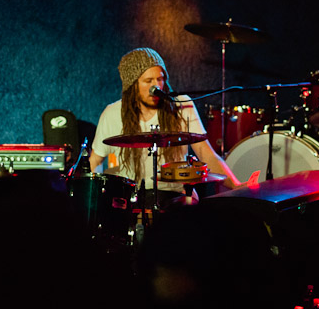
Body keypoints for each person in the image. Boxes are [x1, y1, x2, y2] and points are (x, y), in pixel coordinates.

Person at [89, 48, 240, 198]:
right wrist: (95, 197)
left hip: (176, 195)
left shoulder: (182, 105)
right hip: (131, 199)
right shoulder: (113, 113)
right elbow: (95, 160)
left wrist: (236, 185)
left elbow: (205, 152)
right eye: (148, 81)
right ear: (132, 85)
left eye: (160, 79)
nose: (156, 87)